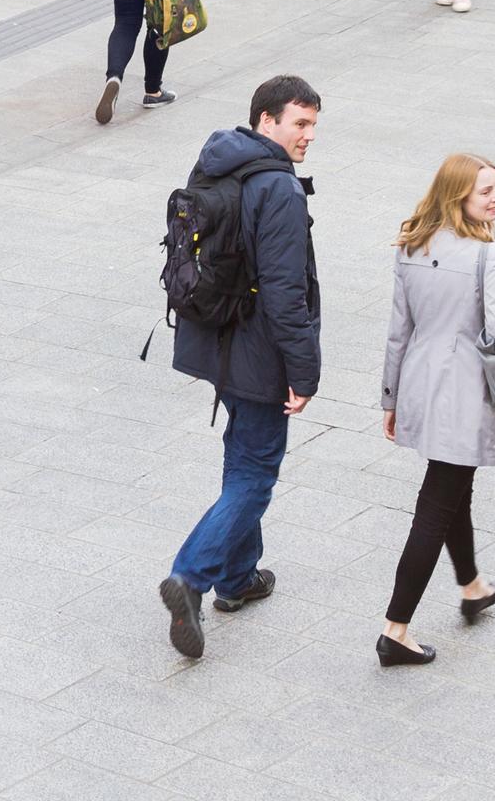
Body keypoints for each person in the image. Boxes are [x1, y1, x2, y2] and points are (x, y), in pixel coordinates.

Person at [157, 76, 323, 661]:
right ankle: (191, 576)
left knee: (244, 453)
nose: (307, 136)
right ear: (265, 120)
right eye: (298, 124)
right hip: (257, 350)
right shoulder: (278, 188)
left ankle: (237, 578)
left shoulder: (219, 159)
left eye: (312, 125)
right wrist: (305, 372)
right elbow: (284, 292)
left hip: (215, 338)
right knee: (255, 474)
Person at [375, 155, 495, 667]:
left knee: (452, 486)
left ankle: (471, 585)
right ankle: (396, 629)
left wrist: (391, 398)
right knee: (437, 502)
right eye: (485, 191)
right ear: (457, 195)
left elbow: (399, 331)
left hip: (421, 383)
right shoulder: (489, 256)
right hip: (463, 394)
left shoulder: (412, 246)